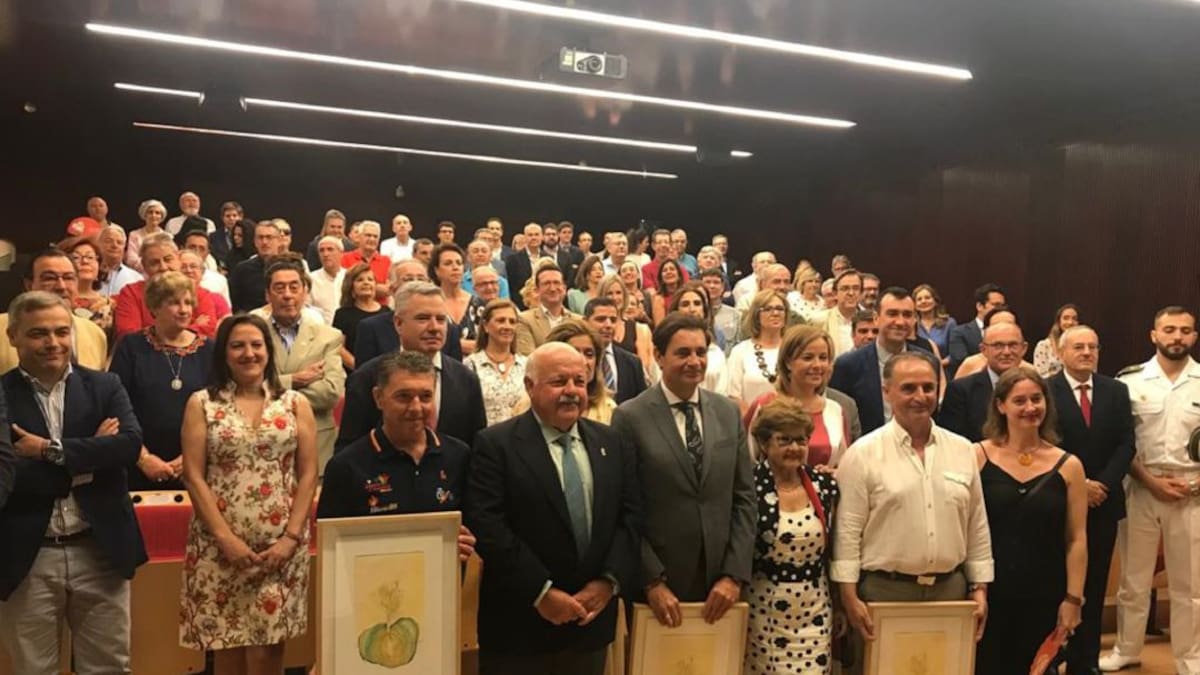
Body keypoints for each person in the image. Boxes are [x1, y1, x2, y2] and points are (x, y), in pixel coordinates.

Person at [465, 342, 640, 674]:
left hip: (591, 624)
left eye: (579, 381)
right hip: (519, 628)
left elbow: (630, 518)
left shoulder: (612, 442)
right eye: (559, 382)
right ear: (530, 387)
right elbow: (488, 525)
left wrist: (608, 582)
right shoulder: (495, 445)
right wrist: (541, 591)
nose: (572, 391)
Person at [0, 290, 147, 675]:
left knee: (109, 668)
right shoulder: (0, 394)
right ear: (13, 336)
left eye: (62, 332)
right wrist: (91, 456)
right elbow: (7, 476)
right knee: (34, 669)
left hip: (99, 550)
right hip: (28, 557)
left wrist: (49, 450)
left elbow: (128, 447)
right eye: (39, 333)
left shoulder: (106, 386)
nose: (53, 343)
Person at [832, 353, 993, 668]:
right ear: (886, 391)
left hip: (951, 590)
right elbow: (848, 531)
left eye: (928, 388)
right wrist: (849, 596)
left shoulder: (962, 449)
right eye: (908, 388)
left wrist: (980, 588)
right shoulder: (863, 454)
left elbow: (976, 525)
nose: (921, 397)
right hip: (883, 592)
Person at [178, 315, 318, 674]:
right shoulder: (202, 403)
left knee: (270, 649)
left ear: (269, 352)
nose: (248, 353)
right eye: (237, 345)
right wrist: (225, 539)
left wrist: (291, 538)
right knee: (228, 645)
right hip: (219, 545)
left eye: (256, 345)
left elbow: (308, 473)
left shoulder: (293, 403)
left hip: (281, 547)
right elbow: (194, 475)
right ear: (224, 354)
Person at [612, 313, 755, 625]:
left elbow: (745, 497)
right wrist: (650, 581)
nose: (694, 361)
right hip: (659, 588)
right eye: (683, 353)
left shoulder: (727, 412)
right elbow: (624, 509)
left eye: (701, 352)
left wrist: (734, 574)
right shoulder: (630, 417)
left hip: (721, 585)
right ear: (660, 357)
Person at [1101, 306, 1200, 673]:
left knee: (1189, 584)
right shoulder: (1129, 381)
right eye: (1169, 329)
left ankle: (1190, 657)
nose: (1177, 337)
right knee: (1133, 579)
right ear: (1153, 335)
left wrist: (1194, 483)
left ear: (1194, 336)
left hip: (1191, 491)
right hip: (1141, 487)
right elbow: (1119, 441)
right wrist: (1152, 482)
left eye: (1185, 330)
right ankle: (1127, 649)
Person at [974, 367, 1087, 675]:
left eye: (1037, 399)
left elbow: (1076, 538)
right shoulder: (977, 456)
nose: (1030, 408)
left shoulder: (1069, 465)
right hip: (990, 590)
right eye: (1019, 400)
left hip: (1045, 591)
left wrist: (1073, 599)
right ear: (1001, 405)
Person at [316, 351, 477, 558]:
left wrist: (466, 542)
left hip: (443, 583)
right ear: (378, 398)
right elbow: (330, 548)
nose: (416, 407)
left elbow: (472, 529)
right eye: (404, 396)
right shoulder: (346, 466)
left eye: (426, 396)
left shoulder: (459, 456)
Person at [1048, 326, 1135, 675]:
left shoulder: (1116, 390)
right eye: (1078, 347)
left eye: (1092, 347)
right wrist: (1080, 484)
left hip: (1103, 502)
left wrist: (1103, 484)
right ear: (1061, 352)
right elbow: (1045, 440)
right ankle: (1052, 658)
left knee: (1095, 584)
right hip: (1058, 500)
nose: (1086, 353)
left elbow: (1127, 443)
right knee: (1055, 584)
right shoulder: (1046, 390)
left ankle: (1085, 661)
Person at [745, 398, 839, 675]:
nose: (795, 448)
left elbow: (834, 550)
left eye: (801, 440)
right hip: (763, 610)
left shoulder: (825, 485)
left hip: (815, 608)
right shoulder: (748, 487)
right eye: (784, 440)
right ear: (764, 443)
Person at [336, 282, 487, 450]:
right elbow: (349, 450)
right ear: (398, 323)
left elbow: (477, 448)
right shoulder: (368, 377)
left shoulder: (466, 379)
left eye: (441, 319)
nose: (434, 328)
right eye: (423, 318)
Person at [110, 272, 214, 491]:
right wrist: (144, 459)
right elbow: (117, 407)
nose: (184, 309)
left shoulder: (209, 350)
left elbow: (220, 411)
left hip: (198, 467)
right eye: (174, 303)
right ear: (155, 307)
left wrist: (191, 458)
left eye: (188, 302)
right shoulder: (131, 347)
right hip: (138, 465)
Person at [262, 259, 346, 470]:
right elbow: (245, 390)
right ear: (267, 294)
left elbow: (329, 394)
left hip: (316, 443)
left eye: (294, 287)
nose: (287, 294)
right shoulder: (254, 336)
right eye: (279, 288)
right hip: (265, 444)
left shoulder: (328, 337)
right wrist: (294, 380)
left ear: (305, 292)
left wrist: (271, 387)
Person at [829, 288, 935, 435]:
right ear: (876, 318)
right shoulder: (847, 365)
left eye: (907, 315)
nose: (900, 321)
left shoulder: (927, 362)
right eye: (892, 314)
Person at [746, 325, 850, 468]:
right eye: (808, 358)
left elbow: (844, 464)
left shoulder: (836, 410)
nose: (817, 365)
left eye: (823, 358)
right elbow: (746, 462)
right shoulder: (764, 405)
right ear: (788, 362)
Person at [0, 248, 108, 373]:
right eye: (50, 278)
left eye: (68, 278)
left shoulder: (94, 333)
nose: (61, 286)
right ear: (29, 285)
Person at [114, 233, 226, 340]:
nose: (163, 267)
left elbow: (207, 332)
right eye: (154, 263)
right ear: (144, 266)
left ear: (178, 259)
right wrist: (191, 328)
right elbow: (128, 336)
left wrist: (152, 333)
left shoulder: (199, 293)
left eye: (168, 259)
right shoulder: (131, 293)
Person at [939, 320, 1028, 442]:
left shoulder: (1038, 388)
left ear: (1024, 349)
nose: (1007, 352)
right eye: (998, 346)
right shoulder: (960, 391)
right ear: (983, 350)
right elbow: (952, 442)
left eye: (1013, 345)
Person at [464, 299, 528, 426]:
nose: (507, 326)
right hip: (485, 440)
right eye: (500, 320)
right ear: (486, 326)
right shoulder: (470, 365)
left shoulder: (527, 364)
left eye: (512, 322)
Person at [728, 290, 789, 415]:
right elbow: (733, 396)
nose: (775, 313)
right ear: (756, 315)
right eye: (768, 309)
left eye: (780, 309)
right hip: (752, 425)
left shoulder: (794, 349)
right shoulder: (740, 351)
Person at [584, 297, 647, 404]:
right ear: (585, 322)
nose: (608, 325)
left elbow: (642, 404)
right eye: (601, 319)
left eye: (613, 320)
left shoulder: (633, 363)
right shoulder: (575, 359)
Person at [669, 285, 729, 394]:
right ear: (676, 310)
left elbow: (722, 393)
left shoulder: (716, 353)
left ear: (704, 312)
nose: (692, 309)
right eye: (685, 304)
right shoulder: (666, 351)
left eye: (697, 304)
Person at [598, 274, 655, 382]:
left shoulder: (640, 329)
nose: (615, 298)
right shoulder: (594, 328)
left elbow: (645, 367)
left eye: (618, 293)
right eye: (609, 293)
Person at [515, 265, 581, 356]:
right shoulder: (524, 320)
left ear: (564, 289)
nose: (552, 288)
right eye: (546, 283)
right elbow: (527, 357)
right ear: (537, 290)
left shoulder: (579, 321)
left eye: (557, 283)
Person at [333, 263, 387, 371]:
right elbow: (339, 347)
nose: (366, 283)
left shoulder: (387, 312)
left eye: (370, 279)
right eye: (360, 280)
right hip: (355, 372)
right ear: (351, 286)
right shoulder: (343, 314)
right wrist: (360, 369)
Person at [948, 283, 1007, 377]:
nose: (1000, 309)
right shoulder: (960, 333)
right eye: (996, 305)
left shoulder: (1009, 332)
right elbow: (961, 362)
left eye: (1002, 306)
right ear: (980, 306)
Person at [61, 236, 115, 338]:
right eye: (76, 257)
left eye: (90, 257)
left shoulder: (110, 305)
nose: (85, 261)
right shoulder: (57, 301)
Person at [229, 220, 280, 312]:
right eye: (260, 238)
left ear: (279, 240)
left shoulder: (290, 268)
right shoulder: (242, 270)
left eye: (269, 237)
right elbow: (235, 304)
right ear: (255, 241)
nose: (264, 242)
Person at [430, 243, 474, 350]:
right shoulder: (429, 303)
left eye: (459, 263)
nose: (455, 267)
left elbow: (486, 344)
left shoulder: (477, 303)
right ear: (436, 270)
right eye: (448, 263)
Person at [817, 269, 863, 357]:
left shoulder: (872, 321)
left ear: (861, 293)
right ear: (835, 293)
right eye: (845, 288)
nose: (851, 293)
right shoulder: (820, 320)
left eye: (856, 288)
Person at [503, 223, 544, 311]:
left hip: (545, 305)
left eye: (537, 234)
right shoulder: (513, 259)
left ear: (542, 237)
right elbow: (512, 287)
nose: (533, 237)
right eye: (530, 235)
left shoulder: (548, 258)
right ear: (525, 238)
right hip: (521, 307)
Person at [914, 283, 957, 366]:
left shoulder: (949, 323)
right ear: (915, 305)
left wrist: (939, 364)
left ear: (935, 301)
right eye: (919, 299)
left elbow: (955, 352)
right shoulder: (912, 325)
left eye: (927, 298)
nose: (923, 301)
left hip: (944, 369)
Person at [1034, 303, 1080, 378]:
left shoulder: (1084, 346)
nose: (1070, 322)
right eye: (1066, 318)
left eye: (1074, 319)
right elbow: (1040, 376)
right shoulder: (1044, 345)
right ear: (1058, 322)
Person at [701, 268, 741, 351]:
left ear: (723, 287)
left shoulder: (735, 315)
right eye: (707, 282)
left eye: (716, 282)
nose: (712, 286)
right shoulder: (693, 314)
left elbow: (739, 345)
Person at [97, 225, 143, 298]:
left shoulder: (136, 279)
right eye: (109, 241)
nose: (114, 245)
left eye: (119, 242)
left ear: (124, 247)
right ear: (99, 244)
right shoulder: (89, 274)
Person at [309, 235, 346, 324]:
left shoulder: (349, 276)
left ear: (341, 253)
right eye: (321, 250)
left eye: (330, 249)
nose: (325, 254)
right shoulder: (310, 279)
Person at [125, 198, 167, 273]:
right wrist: (151, 266)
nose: (154, 215)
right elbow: (131, 259)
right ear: (144, 215)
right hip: (139, 274)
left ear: (161, 217)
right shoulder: (134, 234)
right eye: (150, 212)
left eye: (157, 213)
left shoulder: (167, 237)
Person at [648, 258, 685, 325]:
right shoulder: (658, 299)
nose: (668, 272)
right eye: (665, 270)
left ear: (679, 275)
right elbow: (660, 326)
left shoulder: (686, 295)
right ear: (661, 278)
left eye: (672, 269)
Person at [210, 201, 245, 271]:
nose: (231, 218)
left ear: (241, 217)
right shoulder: (213, 237)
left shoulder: (247, 234)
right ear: (222, 218)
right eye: (228, 216)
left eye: (234, 215)